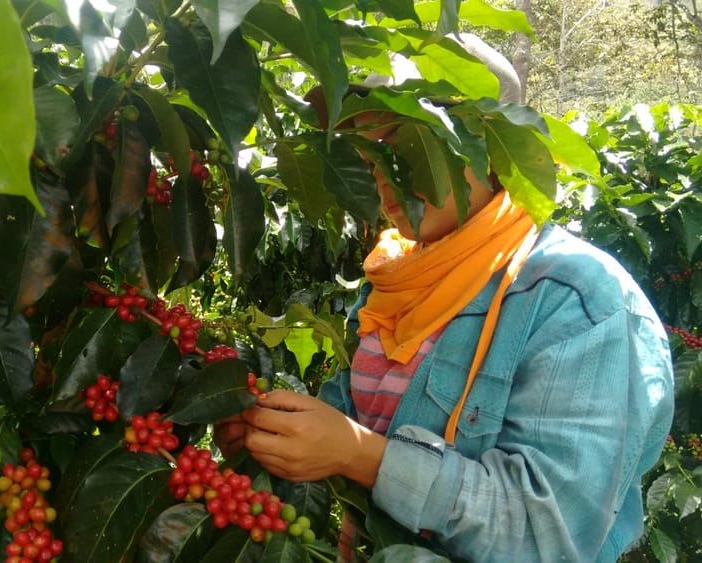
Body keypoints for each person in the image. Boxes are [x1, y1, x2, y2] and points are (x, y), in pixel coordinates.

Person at [215, 34, 674, 562]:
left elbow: (548, 533)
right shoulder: (401, 276)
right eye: (366, 155)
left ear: (489, 145)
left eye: (405, 148)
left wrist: (363, 457)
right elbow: (358, 415)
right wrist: (274, 434)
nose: (381, 178)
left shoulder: (580, 302)